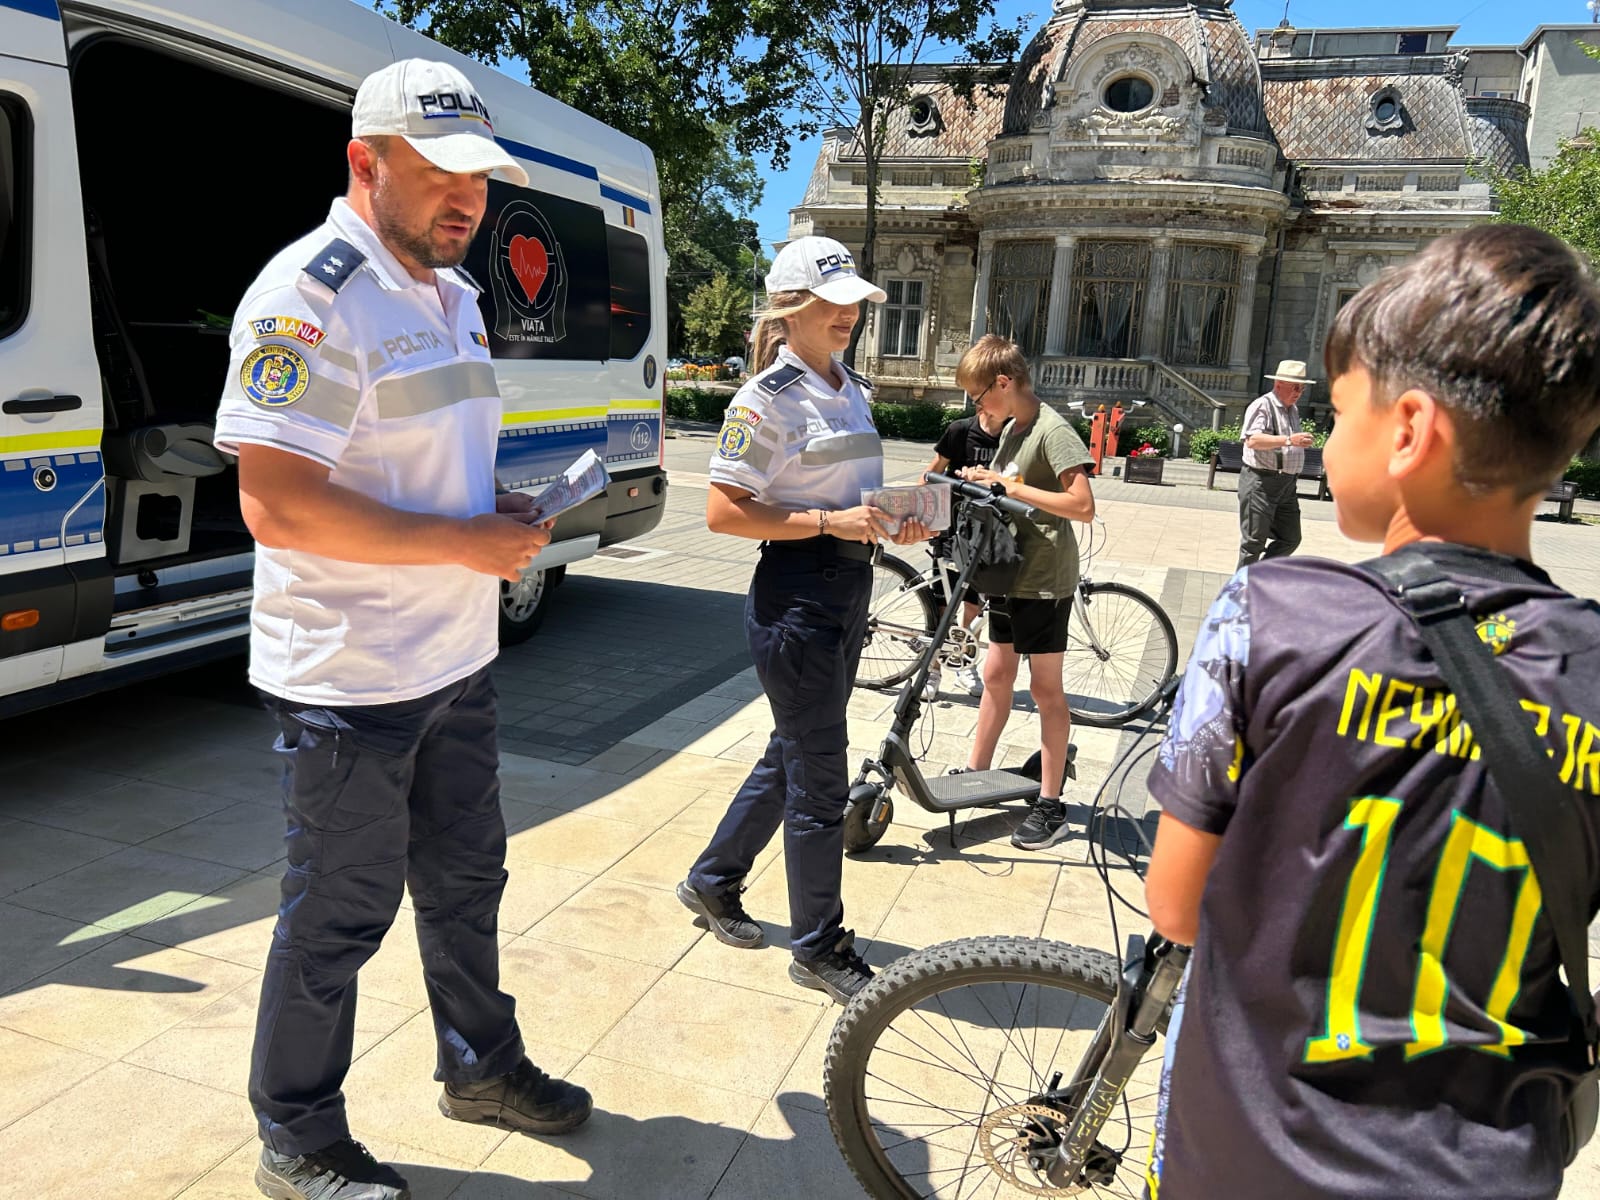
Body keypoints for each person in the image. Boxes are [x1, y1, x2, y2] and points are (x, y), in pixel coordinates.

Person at [1142, 224, 1600, 1199]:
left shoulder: (1269, 614)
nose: (1323, 433)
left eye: (1341, 407)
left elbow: (1176, 903)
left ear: (1408, 431)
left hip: (1253, 1152)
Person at [215, 60, 592, 1200]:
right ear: (364, 162)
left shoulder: (451, 293)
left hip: (455, 660)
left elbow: (427, 468)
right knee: (339, 913)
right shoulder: (310, 298)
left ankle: (481, 1068)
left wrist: (492, 513)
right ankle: (296, 1132)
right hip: (351, 678)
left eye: (478, 178)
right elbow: (278, 505)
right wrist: (459, 544)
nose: (467, 199)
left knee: (467, 882)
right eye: (439, 174)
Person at [675, 236, 927, 1004]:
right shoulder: (766, 399)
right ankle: (818, 946)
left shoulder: (850, 387)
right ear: (790, 309)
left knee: (793, 750)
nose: (849, 314)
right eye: (833, 303)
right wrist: (830, 522)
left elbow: (847, 497)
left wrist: (892, 517)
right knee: (820, 782)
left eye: (855, 303)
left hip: (848, 588)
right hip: (796, 601)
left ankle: (714, 878)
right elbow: (723, 512)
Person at [954, 335, 1096, 851]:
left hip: (1044, 579)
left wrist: (1010, 487)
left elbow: (1082, 505)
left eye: (979, 396)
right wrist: (989, 479)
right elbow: (1010, 485)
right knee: (996, 674)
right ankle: (976, 773)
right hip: (1011, 573)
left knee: (1045, 691)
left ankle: (1051, 805)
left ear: (1004, 382)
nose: (977, 408)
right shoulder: (1014, 427)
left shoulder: (1052, 430)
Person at [924, 393, 1006, 698]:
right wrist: (918, 514)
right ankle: (932, 669)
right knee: (943, 603)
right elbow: (932, 472)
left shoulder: (1012, 433)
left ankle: (963, 662)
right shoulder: (960, 430)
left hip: (990, 531)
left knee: (976, 603)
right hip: (953, 528)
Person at [1236, 359, 1316, 568]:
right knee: (1253, 543)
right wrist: (1289, 440)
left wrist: (1299, 442)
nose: (1299, 392)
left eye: (1302, 388)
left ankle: (1260, 575)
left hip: (1287, 485)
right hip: (1261, 482)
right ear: (1279, 384)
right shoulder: (1262, 405)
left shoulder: (1292, 409)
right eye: (1295, 387)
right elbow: (1253, 440)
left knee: (1291, 538)